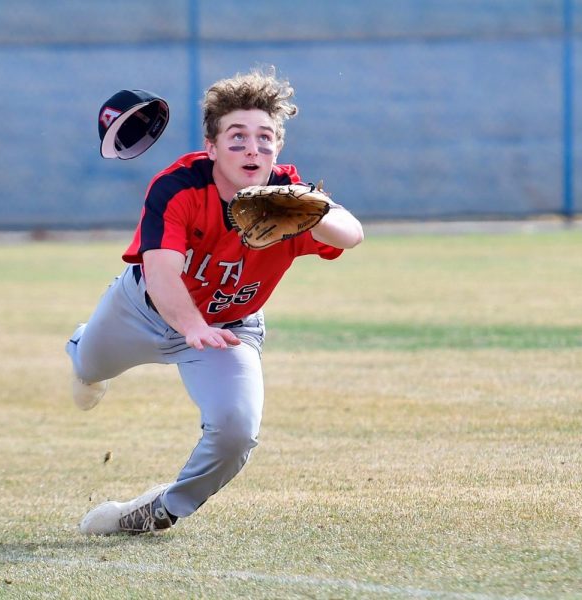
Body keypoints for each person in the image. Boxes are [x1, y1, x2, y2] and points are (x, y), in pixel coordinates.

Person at [68, 67, 364, 535]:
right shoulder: (179, 186)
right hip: (143, 311)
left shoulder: (289, 195)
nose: (253, 148)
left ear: (278, 147)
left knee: (236, 432)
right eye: (237, 136)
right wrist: (190, 325)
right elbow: (162, 274)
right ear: (211, 146)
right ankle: (80, 347)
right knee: (88, 367)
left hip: (231, 327)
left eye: (265, 138)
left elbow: (352, 234)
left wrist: (307, 207)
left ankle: (158, 510)